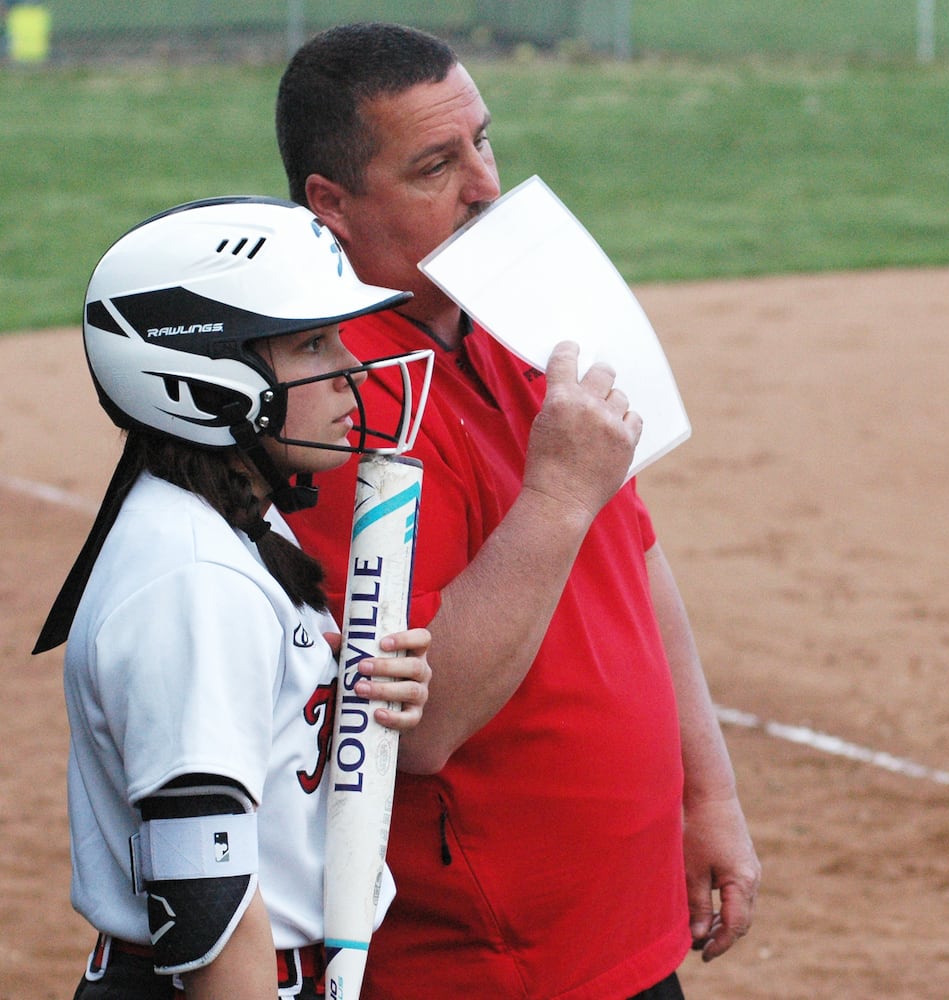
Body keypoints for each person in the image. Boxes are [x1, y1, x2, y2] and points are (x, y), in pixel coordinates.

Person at [274, 21, 760, 1000]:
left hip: (618, 922)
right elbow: (419, 725)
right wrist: (556, 491)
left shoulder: (519, 309)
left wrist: (708, 791)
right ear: (330, 204)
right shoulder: (328, 399)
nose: (484, 186)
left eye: (482, 141)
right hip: (493, 964)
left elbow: (637, 558)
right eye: (433, 167)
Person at [32, 196, 438, 999]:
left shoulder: (236, 522)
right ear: (201, 379)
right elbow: (208, 906)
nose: (351, 371)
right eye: (312, 343)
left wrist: (353, 701)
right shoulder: (193, 580)